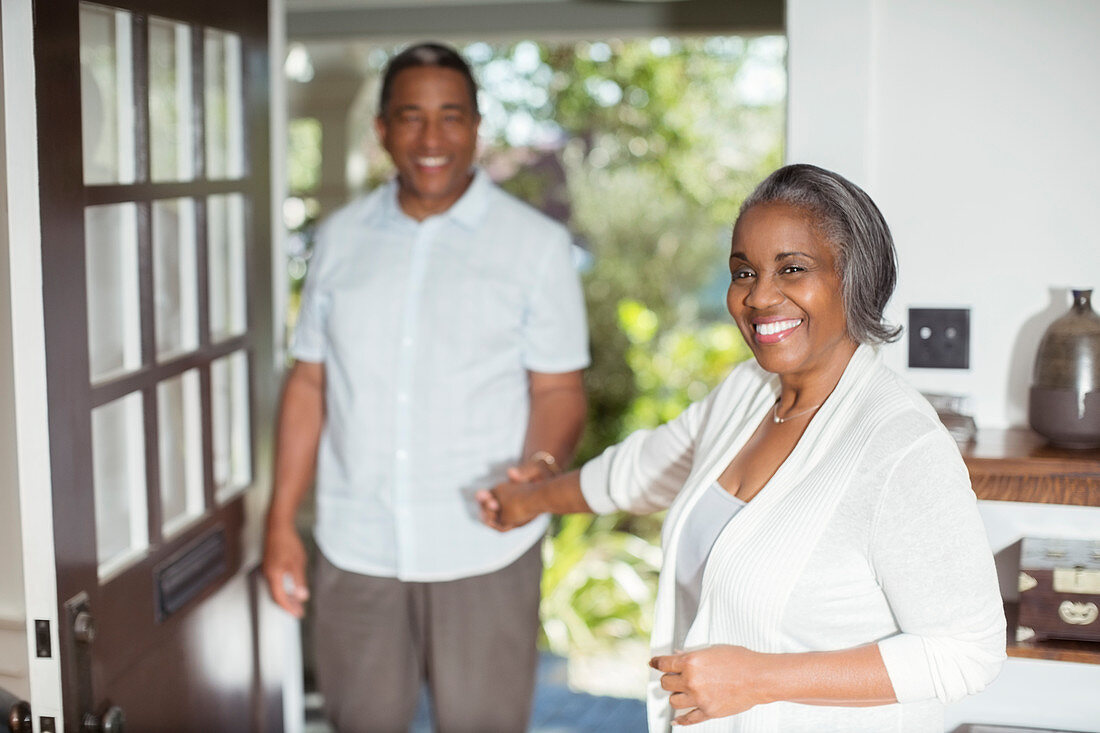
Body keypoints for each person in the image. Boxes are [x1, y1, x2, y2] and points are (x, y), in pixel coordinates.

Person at [478, 163, 1006, 732]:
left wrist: (762, 678)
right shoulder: (748, 393)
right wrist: (526, 500)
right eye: (744, 272)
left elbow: (966, 653)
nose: (759, 297)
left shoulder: (900, 445)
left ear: (855, 279)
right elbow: (640, 469)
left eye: (793, 268)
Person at [263, 42, 590, 733]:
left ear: (476, 126)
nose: (431, 138)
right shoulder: (340, 239)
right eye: (410, 117)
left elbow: (559, 389)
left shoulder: (533, 245)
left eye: (450, 116)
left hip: (485, 546)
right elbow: (311, 383)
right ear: (381, 129)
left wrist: (538, 471)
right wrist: (280, 520)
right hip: (356, 547)